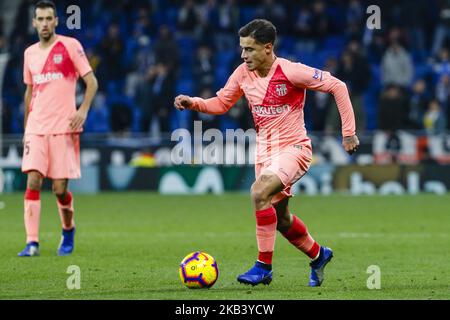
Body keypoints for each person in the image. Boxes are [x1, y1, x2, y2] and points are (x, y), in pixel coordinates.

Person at [174, 19, 359, 287]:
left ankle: (263, 268)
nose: (243, 55)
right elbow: (222, 103)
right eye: (242, 49)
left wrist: (348, 132)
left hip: (294, 148)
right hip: (265, 153)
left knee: (259, 193)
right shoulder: (242, 73)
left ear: (268, 48)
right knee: (282, 219)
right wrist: (194, 103)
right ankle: (319, 256)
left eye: (249, 49)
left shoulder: (291, 72)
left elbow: (337, 86)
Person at [19, 0, 98, 257]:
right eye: (39, 19)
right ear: (34, 23)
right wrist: (26, 128)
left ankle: (68, 229)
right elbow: (29, 93)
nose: (44, 23)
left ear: (55, 21)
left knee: (59, 189)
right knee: (33, 179)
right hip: (36, 128)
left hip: (64, 128)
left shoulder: (70, 46)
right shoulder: (29, 53)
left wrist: (82, 110)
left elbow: (92, 82)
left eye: (48, 18)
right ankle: (32, 242)